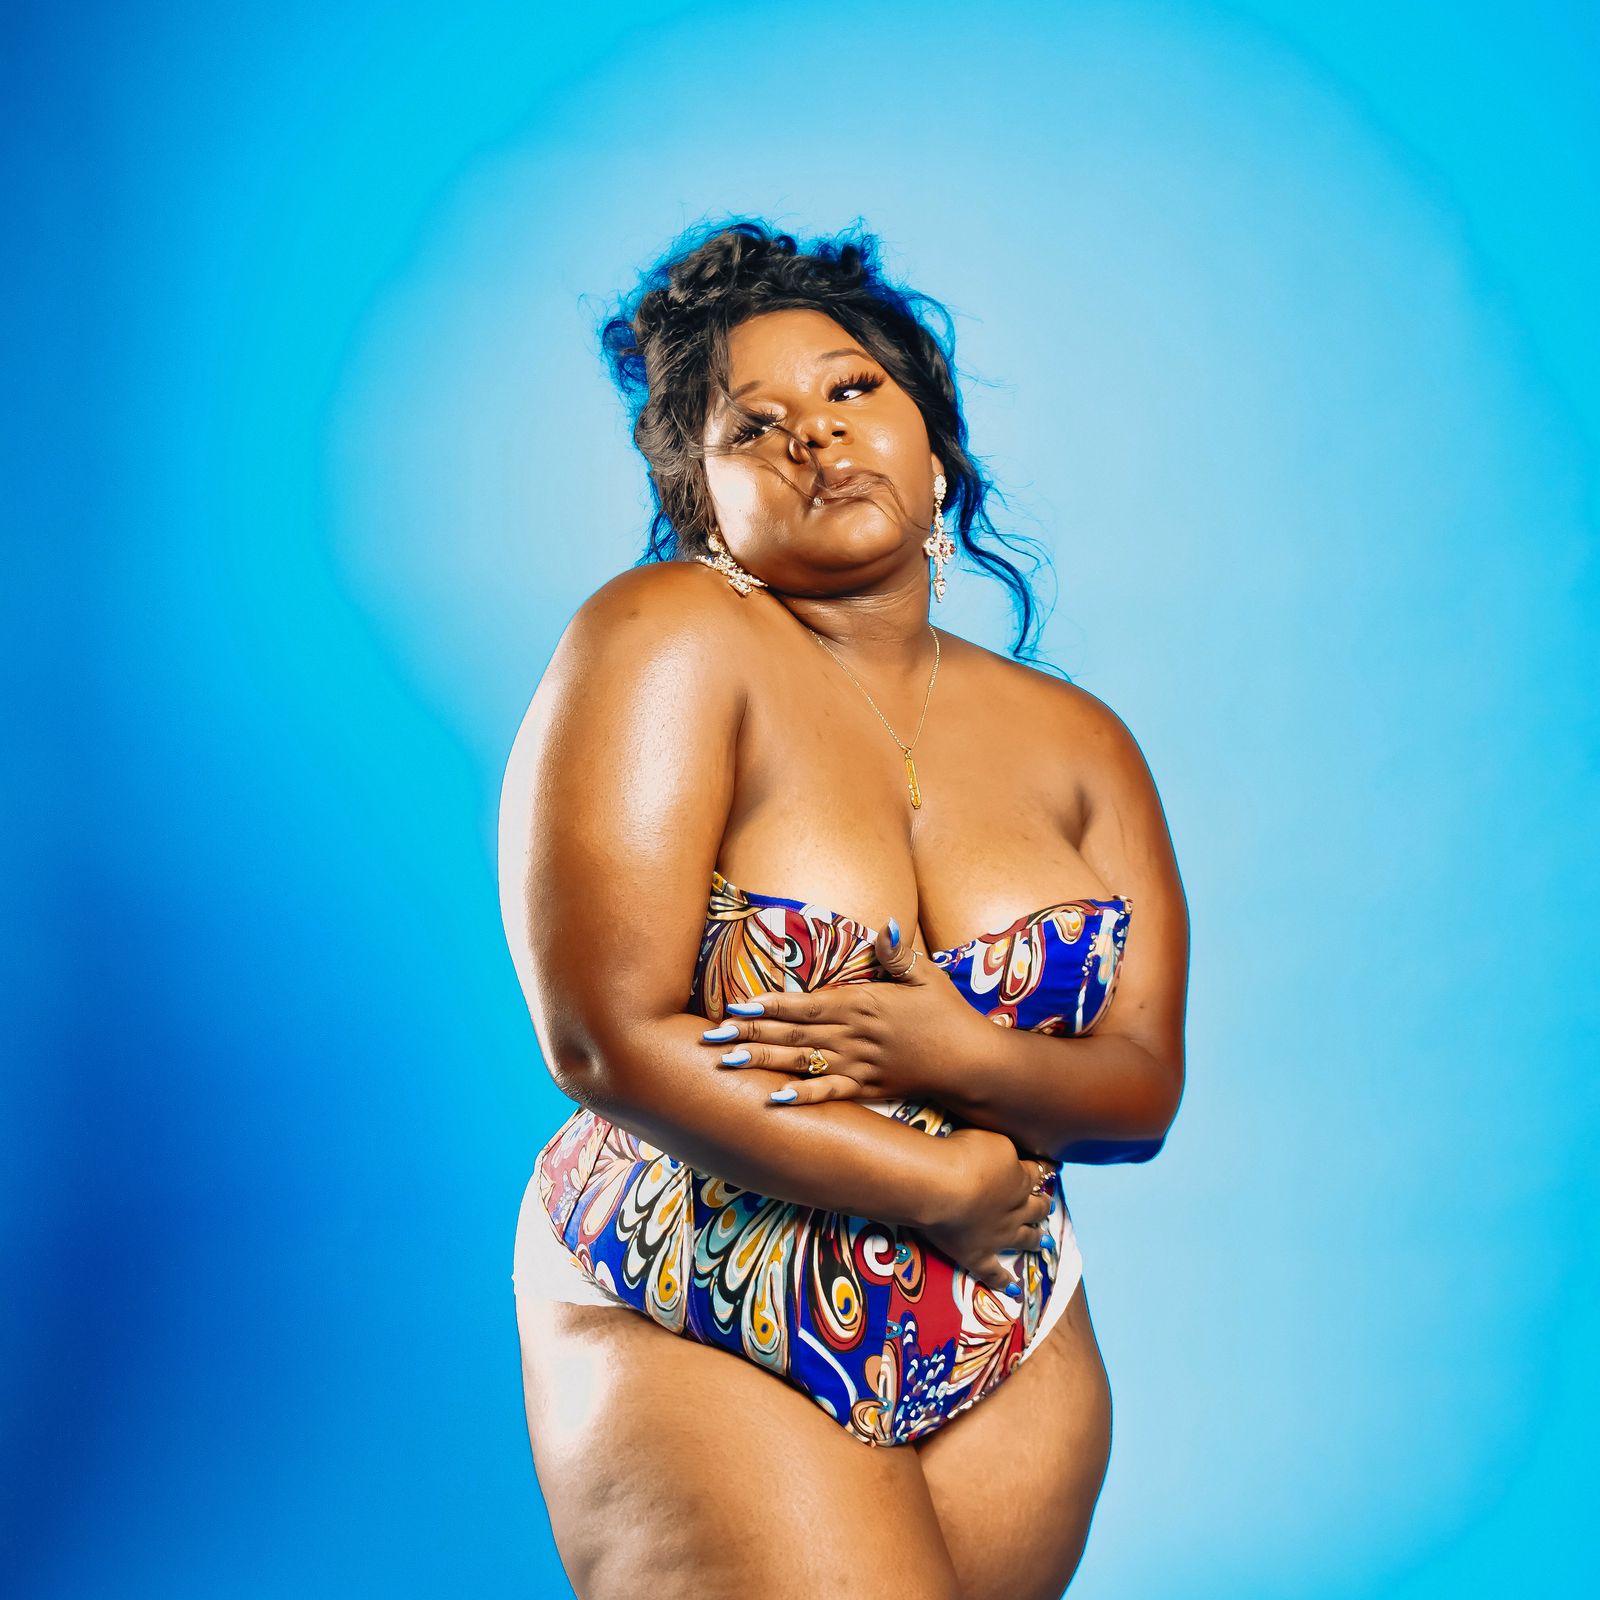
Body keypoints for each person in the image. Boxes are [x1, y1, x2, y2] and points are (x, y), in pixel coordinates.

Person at [498, 218, 1190, 1600]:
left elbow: (1140, 1092)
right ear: (702, 503)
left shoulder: (1083, 742)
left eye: (851, 389)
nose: (813, 436)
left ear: (936, 446)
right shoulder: (665, 637)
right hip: (704, 1286)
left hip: (1005, 1317)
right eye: (752, 426)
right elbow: (602, 1041)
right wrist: (945, 1180)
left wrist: (957, 1057)